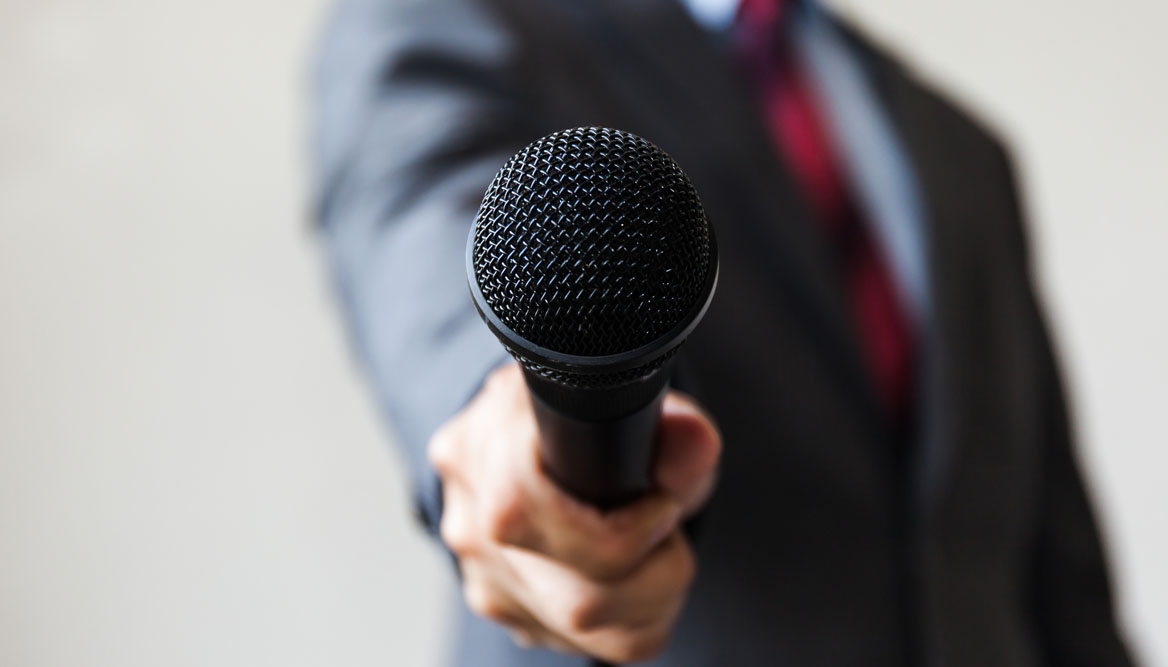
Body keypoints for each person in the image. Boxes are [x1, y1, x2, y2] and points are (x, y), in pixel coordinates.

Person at [310, 0, 1136, 664]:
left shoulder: (963, 148)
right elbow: (431, 255)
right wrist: (513, 438)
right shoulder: (453, 24)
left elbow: (1063, 583)